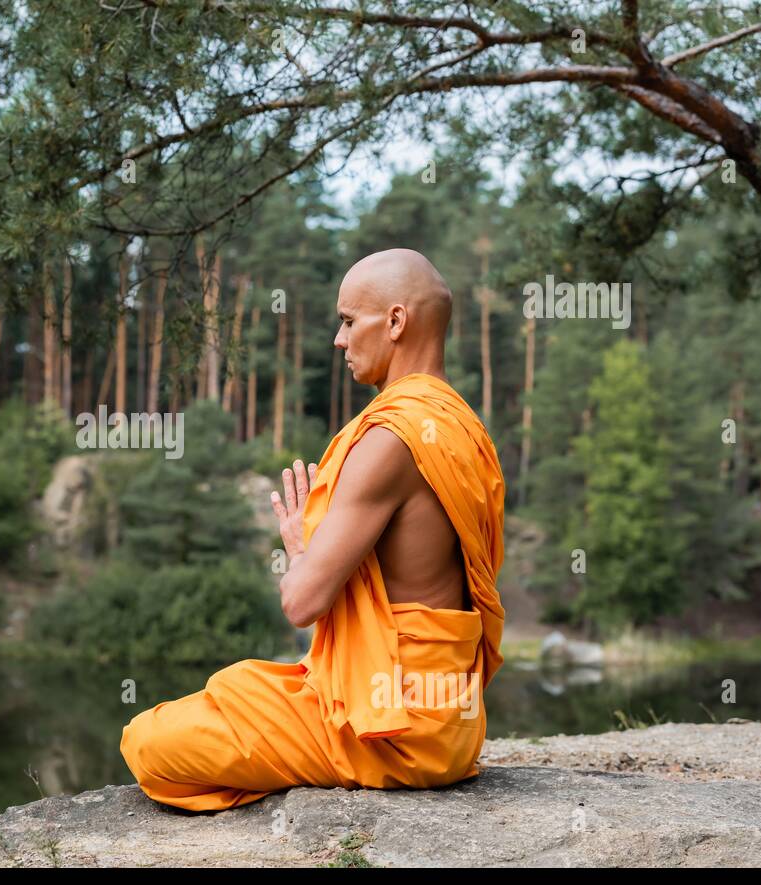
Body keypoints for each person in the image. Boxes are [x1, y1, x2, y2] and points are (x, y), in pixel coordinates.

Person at [119, 248, 507, 812]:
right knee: (245, 688)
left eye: (350, 320)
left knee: (148, 739)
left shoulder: (391, 439)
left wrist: (301, 550)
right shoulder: (464, 427)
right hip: (453, 720)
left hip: (393, 729)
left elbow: (302, 603)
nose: (339, 339)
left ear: (396, 322)